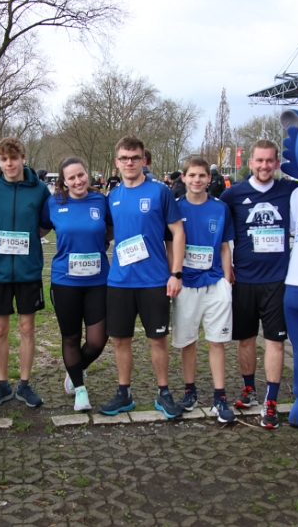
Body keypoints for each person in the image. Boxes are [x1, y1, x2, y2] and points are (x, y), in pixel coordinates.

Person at [100, 136, 185, 419]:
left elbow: (178, 232)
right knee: (120, 340)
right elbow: (107, 232)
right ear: (117, 162)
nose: (130, 163)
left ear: (143, 160)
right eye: (124, 158)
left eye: (135, 158)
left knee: (157, 340)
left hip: (154, 281)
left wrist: (176, 273)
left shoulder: (160, 192)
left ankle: (164, 393)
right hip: (119, 281)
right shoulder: (112, 197)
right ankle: (123, 393)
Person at [219, 140, 298, 427]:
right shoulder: (233, 194)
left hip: (277, 280)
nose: (264, 166)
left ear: (277, 163)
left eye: (269, 161)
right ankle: (249, 389)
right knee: (246, 339)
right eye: (259, 161)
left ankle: (271, 401)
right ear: (250, 163)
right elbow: (217, 230)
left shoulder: (290, 191)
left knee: (275, 341)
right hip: (243, 280)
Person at [0, 136, 51, 407]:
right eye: (3, 159)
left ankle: (24, 384)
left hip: (28, 271)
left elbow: (45, 225)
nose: (9, 163)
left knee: (27, 328)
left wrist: (29, 239)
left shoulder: (40, 190)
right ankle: (2, 385)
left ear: (23, 158)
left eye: (13, 158)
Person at [40, 157, 112, 411]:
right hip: (65, 281)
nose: (78, 181)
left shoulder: (100, 200)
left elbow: (111, 229)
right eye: (71, 177)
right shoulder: (54, 203)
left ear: (86, 175)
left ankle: (76, 370)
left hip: (98, 280)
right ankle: (80, 390)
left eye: (81, 175)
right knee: (70, 337)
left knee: (97, 340)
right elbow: (39, 231)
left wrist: (100, 242)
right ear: (64, 181)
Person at [168, 156, 235, 423]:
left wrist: (227, 278)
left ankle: (220, 396)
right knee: (187, 341)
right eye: (192, 175)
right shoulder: (175, 207)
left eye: (202, 175)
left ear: (209, 178)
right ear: (183, 178)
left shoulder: (220, 208)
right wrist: (173, 275)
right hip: (186, 283)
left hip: (215, 281)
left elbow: (225, 245)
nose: (197, 180)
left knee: (216, 341)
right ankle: (190, 391)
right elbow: (169, 245)